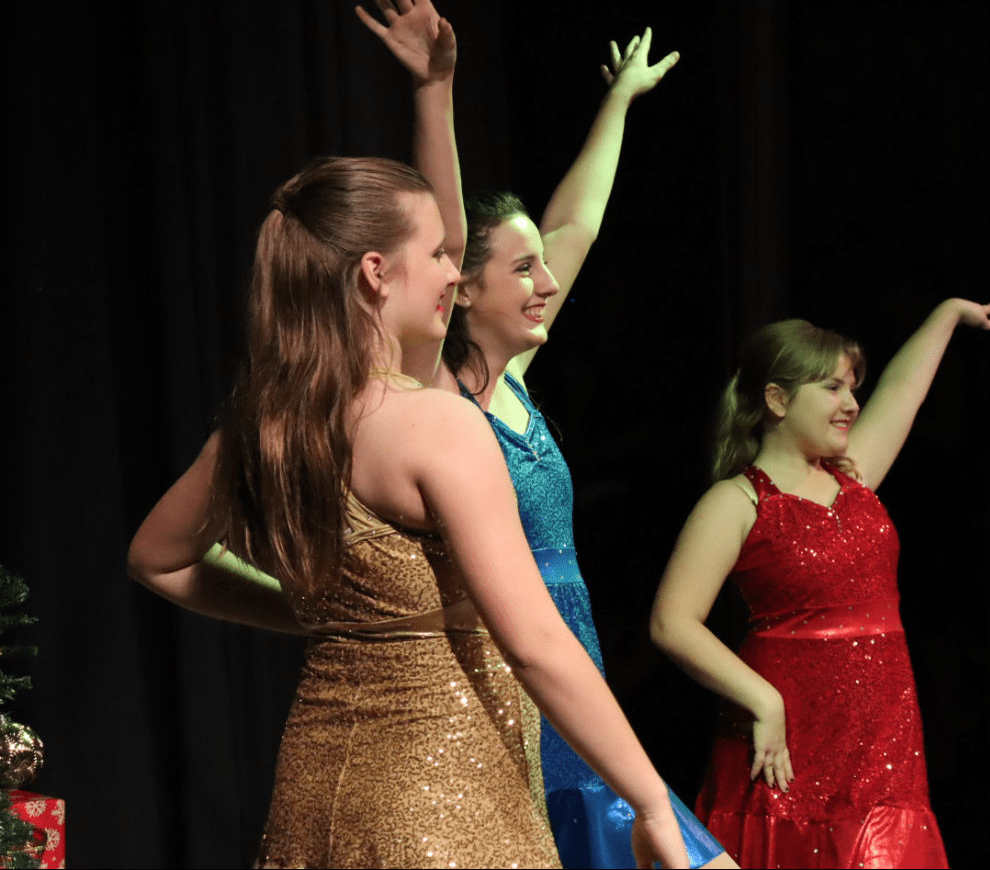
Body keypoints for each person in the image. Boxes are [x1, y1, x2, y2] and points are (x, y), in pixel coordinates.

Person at [128, 173, 690, 865]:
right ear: (376, 272)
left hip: (312, 794)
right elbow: (535, 645)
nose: (454, 274)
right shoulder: (437, 424)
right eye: (437, 254)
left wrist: (327, 619)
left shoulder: (262, 424)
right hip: (442, 807)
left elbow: (155, 558)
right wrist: (650, 801)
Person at [358, 0, 736, 870]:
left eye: (542, 266)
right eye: (521, 269)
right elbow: (448, 233)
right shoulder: (437, 395)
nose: (547, 282)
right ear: (461, 286)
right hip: (503, 685)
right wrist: (434, 91)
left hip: (576, 675)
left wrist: (620, 104)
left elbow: (579, 223)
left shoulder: (515, 377)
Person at [650, 301, 990, 868]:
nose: (852, 404)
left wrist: (948, 314)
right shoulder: (737, 501)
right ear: (777, 399)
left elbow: (903, 389)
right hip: (788, 744)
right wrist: (763, 699)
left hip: (880, 747)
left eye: (853, 388)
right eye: (833, 388)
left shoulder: (853, 475)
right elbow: (672, 623)